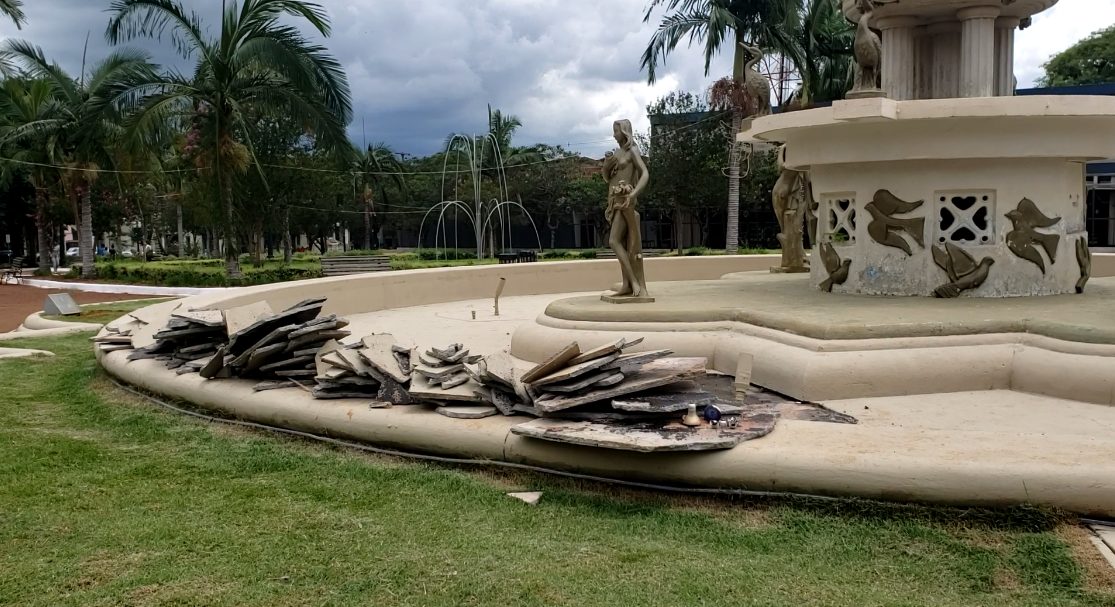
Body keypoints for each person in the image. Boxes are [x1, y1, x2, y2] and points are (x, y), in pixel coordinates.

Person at [602, 118, 651, 298]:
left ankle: (634, 282)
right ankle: (627, 285)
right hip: (615, 199)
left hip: (625, 199)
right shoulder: (617, 152)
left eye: (616, 131)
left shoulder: (632, 151)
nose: (614, 135)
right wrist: (607, 165)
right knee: (620, 242)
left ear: (624, 131)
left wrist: (634, 194)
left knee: (614, 241)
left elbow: (645, 173)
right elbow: (607, 178)